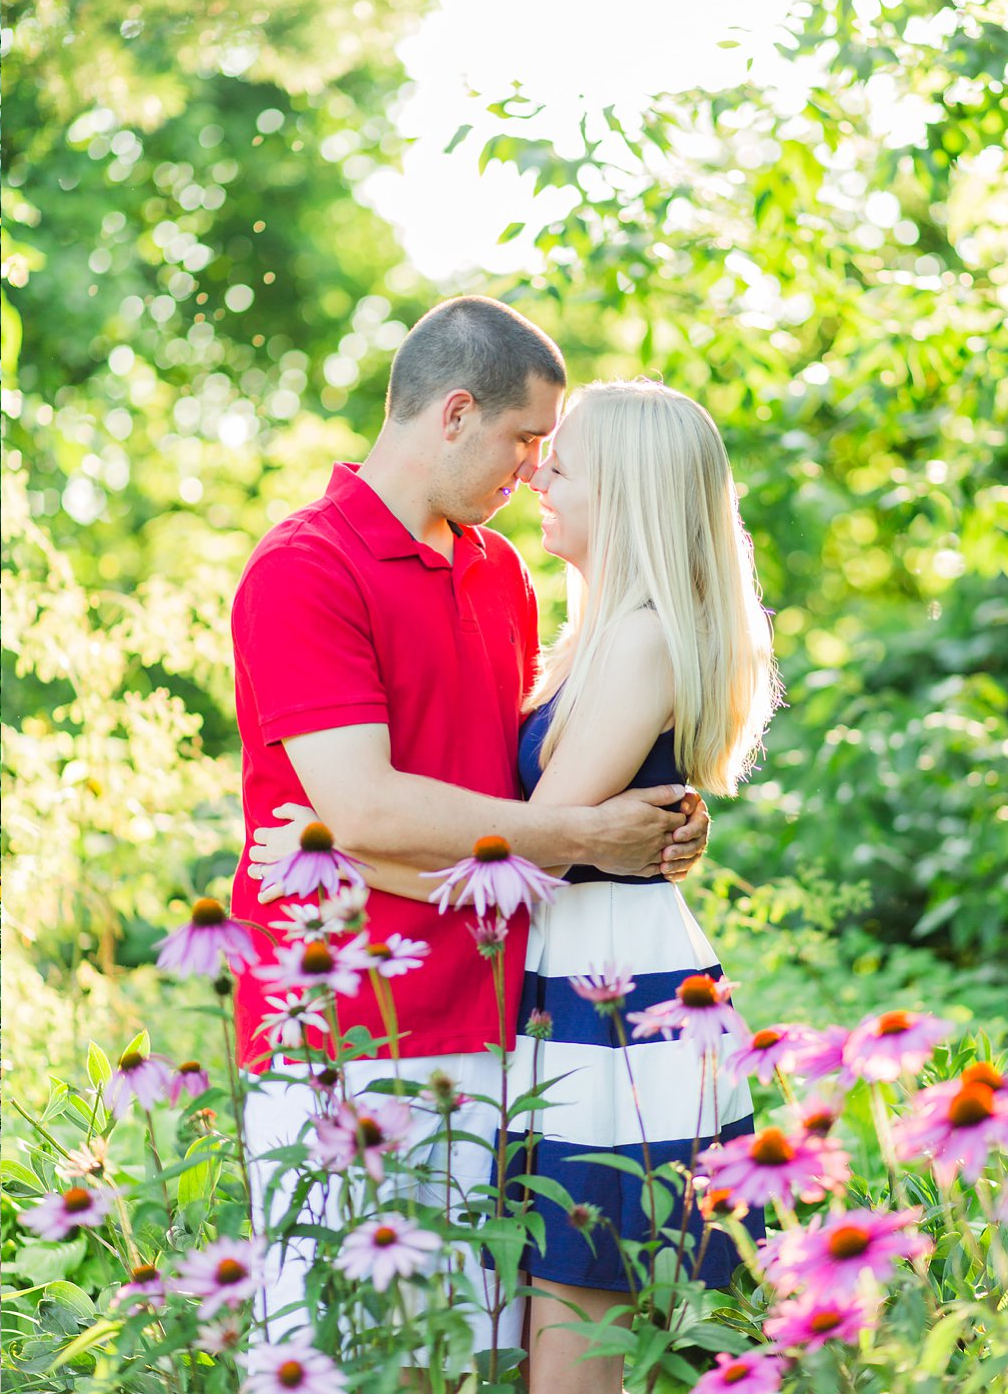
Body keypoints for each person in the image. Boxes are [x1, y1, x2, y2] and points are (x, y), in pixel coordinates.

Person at [228, 296, 709, 1369]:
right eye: (522, 439)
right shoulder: (301, 568)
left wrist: (651, 813)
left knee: (465, 1362)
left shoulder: (499, 575)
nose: (533, 468)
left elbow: (504, 790)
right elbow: (368, 806)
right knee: (345, 1354)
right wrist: (585, 830)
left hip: (510, 1027)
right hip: (347, 1033)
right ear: (454, 413)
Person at [503, 379, 778, 1392]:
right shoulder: (599, 632)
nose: (535, 474)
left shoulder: (643, 633)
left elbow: (546, 829)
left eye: (559, 465)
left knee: (578, 1303)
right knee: (561, 1293)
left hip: (607, 984)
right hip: (585, 961)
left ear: (622, 495)